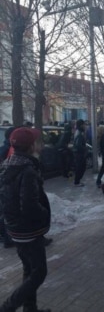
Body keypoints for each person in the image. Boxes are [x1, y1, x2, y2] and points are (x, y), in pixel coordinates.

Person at [0, 127, 51, 312]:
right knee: (39, 272)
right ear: (30, 146)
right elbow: (29, 205)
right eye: (37, 142)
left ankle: (30, 309)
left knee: (29, 270)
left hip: (14, 227)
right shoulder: (27, 169)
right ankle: (8, 307)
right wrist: (44, 213)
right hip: (28, 230)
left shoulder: (8, 164)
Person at [72, 119, 87, 186]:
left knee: (81, 167)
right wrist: (84, 148)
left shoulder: (79, 132)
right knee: (80, 167)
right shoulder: (79, 133)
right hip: (79, 153)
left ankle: (77, 181)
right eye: (84, 124)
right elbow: (78, 145)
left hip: (79, 153)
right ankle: (77, 181)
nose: (85, 126)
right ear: (81, 125)